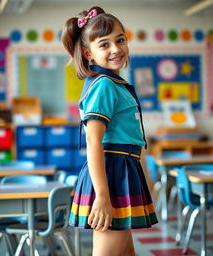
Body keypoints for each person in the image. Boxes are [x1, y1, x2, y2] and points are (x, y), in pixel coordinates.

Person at [62, 6, 158, 256]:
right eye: (104, 44)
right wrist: (103, 197)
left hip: (122, 170)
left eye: (120, 40)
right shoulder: (104, 84)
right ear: (88, 53)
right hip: (111, 174)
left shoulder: (115, 84)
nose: (116, 49)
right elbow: (94, 142)